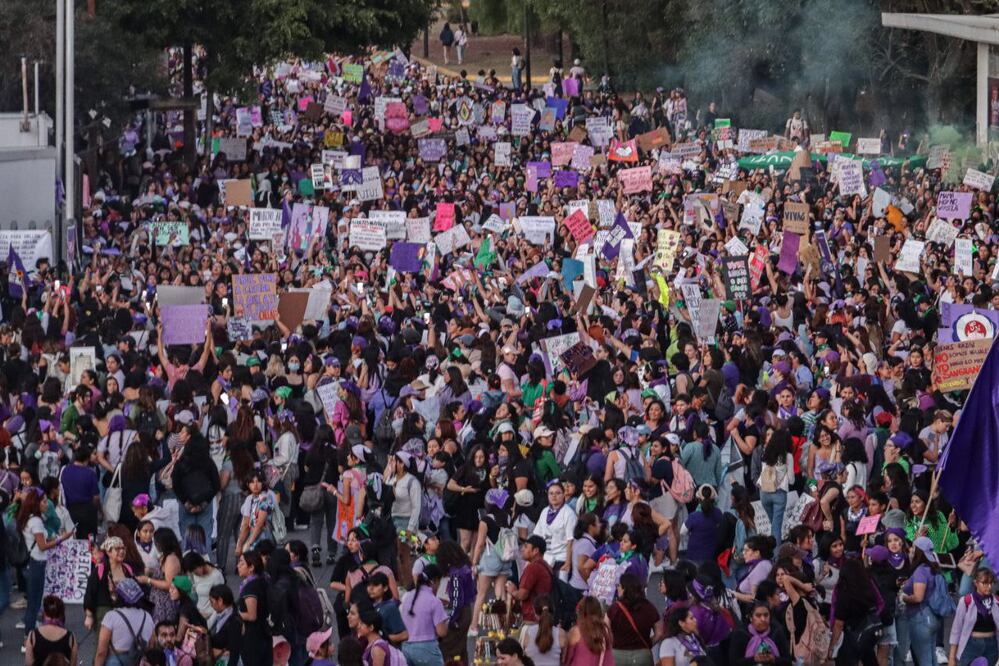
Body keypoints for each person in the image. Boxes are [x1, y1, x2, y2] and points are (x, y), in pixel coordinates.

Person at [18, 488, 73, 637]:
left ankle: (29, 633)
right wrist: (62, 539)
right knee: (34, 603)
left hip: (34, 563)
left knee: (34, 601)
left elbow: (42, 540)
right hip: (36, 563)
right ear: (36, 503)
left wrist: (57, 538)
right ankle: (28, 636)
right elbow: (42, 546)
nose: (46, 504)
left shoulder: (31, 518)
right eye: (43, 502)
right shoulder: (36, 521)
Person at [94, 579, 154, 666]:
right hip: (140, 661)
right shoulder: (147, 616)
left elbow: (101, 652)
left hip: (116, 662)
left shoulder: (111, 616)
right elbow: (151, 645)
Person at [399, 565, 448, 666]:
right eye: (439, 582)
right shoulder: (434, 601)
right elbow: (442, 632)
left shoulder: (407, 597)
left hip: (406, 647)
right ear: (434, 581)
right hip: (427, 649)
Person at [949, 568, 999, 666]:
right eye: (984, 583)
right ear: (976, 583)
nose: (989, 587)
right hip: (971, 645)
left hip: (992, 646)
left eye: (991, 583)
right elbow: (956, 630)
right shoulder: (966, 601)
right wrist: (951, 658)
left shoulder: (996, 602)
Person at [608, 573, 658, 666]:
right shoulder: (649, 607)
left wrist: (614, 644)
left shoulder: (614, 608)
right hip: (642, 655)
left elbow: (605, 630)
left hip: (618, 655)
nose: (617, 588)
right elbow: (660, 632)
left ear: (624, 588)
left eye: (619, 586)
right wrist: (648, 644)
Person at [505, 536, 553, 625]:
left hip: (532, 618)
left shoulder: (533, 568)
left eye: (526, 547)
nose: (522, 549)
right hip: (542, 616)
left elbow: (522, 595)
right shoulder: (546, 566)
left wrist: (513, 591)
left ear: (536, 551)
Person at [236, 550, 272, 666]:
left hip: (253, 637)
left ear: (251, 567)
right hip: (264, 633)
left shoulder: (250, 588)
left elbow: (252, 616)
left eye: (241, 563)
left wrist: (235, 613)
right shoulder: (264, 580)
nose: (238, 566)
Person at [24, 595, 77, 666]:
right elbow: (73, 663)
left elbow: (29, 663)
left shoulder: (33, 635)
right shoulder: (70, 637)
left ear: (44, 613)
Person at [565, 596, 612, 665]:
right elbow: (609, 659)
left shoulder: (577, 632)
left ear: (581, 613)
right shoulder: (605, 631)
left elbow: (568, 658)